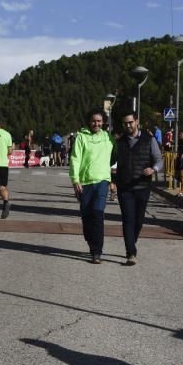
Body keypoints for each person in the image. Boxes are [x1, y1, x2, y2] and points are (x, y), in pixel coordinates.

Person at [112, 112, 163, 265]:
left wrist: (153, 169)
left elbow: (159, 160)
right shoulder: (119, 142)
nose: (128, 126)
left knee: (139, 221)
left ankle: (131, 242)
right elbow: (112, 163)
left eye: (130, 122)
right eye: (125, 123)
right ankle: (130, 252)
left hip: (143, 186)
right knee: (128, 219)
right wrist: (112, 181)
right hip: (124, 186)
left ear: (137, 122)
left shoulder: (149, 140)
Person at [69, 110, 114, 263]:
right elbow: (75, 158)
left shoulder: (108, 137)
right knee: (87, 216)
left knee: (97, 213)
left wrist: (114, 179)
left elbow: (115, 156)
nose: (97, 124)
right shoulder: (81, 137)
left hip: (102, 181)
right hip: (85, 183)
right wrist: (75, 180)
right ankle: (90, 241)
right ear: (89, 121)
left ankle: (97, 252)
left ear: (103, 122)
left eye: (99, 121)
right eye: (94, 121)